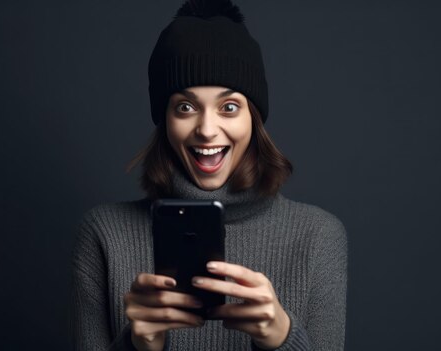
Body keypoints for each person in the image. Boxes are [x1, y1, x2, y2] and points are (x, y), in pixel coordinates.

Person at [71, 1, 347, 350]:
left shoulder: (319, 236)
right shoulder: (103, 234)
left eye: (229, 107)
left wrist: (282, 337)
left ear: (254, 119)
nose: (206, 129)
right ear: (165, 120)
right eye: (185, 107)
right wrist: (139, 346)